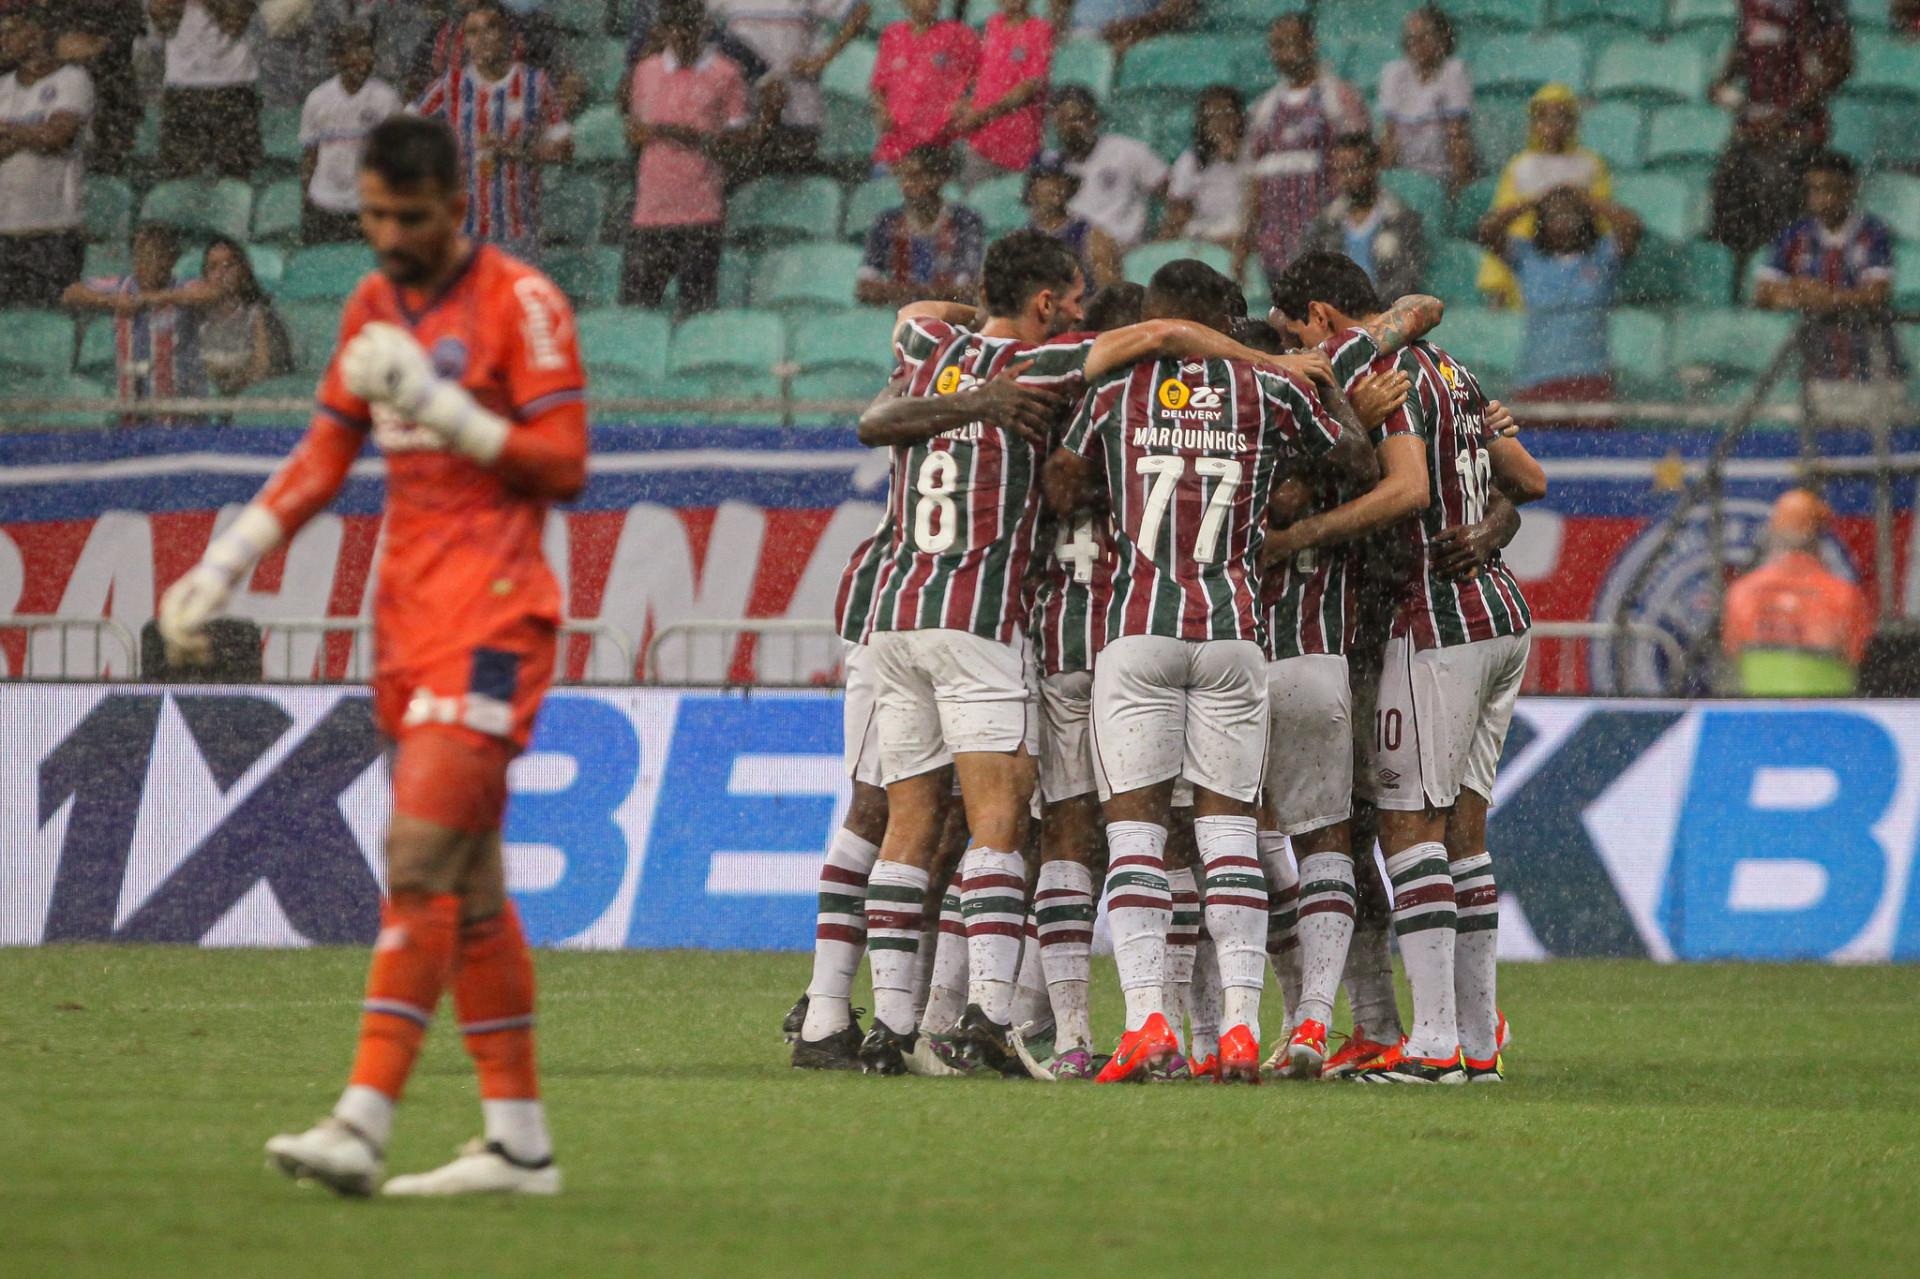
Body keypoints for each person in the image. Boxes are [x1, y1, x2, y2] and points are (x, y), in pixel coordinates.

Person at [161, 114, 586, 1197]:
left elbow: (563, 463)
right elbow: (323, 452)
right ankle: (520, 1145)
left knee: (416, 857)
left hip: (495, 617)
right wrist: (228, 559)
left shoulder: (521, 302)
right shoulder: (368, 304)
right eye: (375, 216)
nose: (389, 234)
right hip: (404, 624)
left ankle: (363, 1116)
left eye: (409, 216)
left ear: (459, 202)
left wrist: (440, 406)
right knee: (472, 884)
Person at [851, 231, 1312, 1077]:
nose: (1072, 309)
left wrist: (976, 354)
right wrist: (1276, 365)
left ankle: (942, 1022)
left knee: (993, 830)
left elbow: (894, 393)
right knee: (1196, 833)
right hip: (1129, 629)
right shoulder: (1079, 372)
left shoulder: (945, 359)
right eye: (1064, 297)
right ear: (1047, 306)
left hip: (1002, 622)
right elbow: (1177, 352)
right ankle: (1204, 1029)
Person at [1043, 259, 1362, 1084]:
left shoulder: (1113, 396)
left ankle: (1149, 1021)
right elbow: (1355, 463)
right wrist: (1317, 390)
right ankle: (1244, 1030)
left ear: (1159, 318)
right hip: (1234, 631)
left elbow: (1063, 487)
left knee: (1139, 836)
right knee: (1231, 838)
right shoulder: (1274, 393)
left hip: (1139, 628)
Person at [1265, 250, 1547, 1085]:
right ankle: (1477, 1041)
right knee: (1464, 833)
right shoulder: (1452, 373)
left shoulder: (1368, 362)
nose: (1299, 357)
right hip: (1501, 612)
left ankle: (1430, 1048)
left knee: (1404, 827)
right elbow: (1527, 475)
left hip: (1438, 621)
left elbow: (1409, 491)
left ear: (1320, 318)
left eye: (1296, 337)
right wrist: (1493, 523)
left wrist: (1301, 536)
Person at [1709, 0, 1853, 293]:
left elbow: (1840, 64)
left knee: (1782, 201)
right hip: (1754, 127)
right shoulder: (1750, 4)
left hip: (1799, 130)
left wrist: (1786, 116)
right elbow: (1747, 41)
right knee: (1729, 189)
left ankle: (1784, 293)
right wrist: (1722, 80)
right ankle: (1734, 295)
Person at [413, 0, 573, 263]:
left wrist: (514, 150)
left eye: (490, 29)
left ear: (507, 33)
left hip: (518, 231)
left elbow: (565, 149)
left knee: (513, 304)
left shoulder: (535, 84)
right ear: (465, 42)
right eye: (473, 33)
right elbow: (401, 131)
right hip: (462, 230)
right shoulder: (450, 85)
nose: (482, 39)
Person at [1755, 150, 1904, 429]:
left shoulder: (1873, 232)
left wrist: (1823, 296)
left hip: (1874, 370)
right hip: (1821, 370)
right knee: (1822, 457)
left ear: (1849, 188)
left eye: (1828, 189)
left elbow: (1875, 295)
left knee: (1875, 459)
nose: (1819, 198)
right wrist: (1805, 293)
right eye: (1812, 189)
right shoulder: (1795, 234)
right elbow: (1764, 293)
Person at [622, 0, 753, 315]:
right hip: (650, 210)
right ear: (664, 31)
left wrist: (686, 135)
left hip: (701, 210)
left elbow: (737, 143)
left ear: (703, 29)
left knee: (697, 310)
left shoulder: (726, 72)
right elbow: (634, 133)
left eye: (689, 28)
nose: (682, 37)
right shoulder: (645, 71)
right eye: (674, 29)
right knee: (638, 310)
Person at [1480, 184, 1642, 422]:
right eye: (1554, 215)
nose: (1564, 221)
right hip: (1535, 379)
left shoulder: (1602, 256)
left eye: (1571, 214)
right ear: (1542, 221)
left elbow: (1632, 226)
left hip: (1590, 378)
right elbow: (1488, 229)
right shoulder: (1528, 258)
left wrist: (1586, 200)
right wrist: (1535, 200)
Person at [1237, 13, 1369, 284]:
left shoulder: (1339, 97)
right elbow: (1254, 182)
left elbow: (1361, 162)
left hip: (1329, 230)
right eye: (1277, 46)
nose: (1284, 53)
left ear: (1310, 44)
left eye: (1291, 43)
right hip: (1276, 239)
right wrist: (1245, 238)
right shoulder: (1264, 108)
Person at [1722, 489, 1873, 695]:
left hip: (1760, 719)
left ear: (1773, 533)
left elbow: (1732, 652)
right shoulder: (1844, 596)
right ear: (1819, 536)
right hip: (1828, 720)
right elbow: (1857, 654)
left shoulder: (1741, 593)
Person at [1478, 83, 1612, 308]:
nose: (1553, 126)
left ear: (1573, 123)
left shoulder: (1589, 165)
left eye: (1561, 118)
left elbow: (1606, 223)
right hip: (1525, 259)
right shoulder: (1520, 166)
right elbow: (1500, 222)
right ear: (1534, 124)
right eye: (1544, 119)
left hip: (1577, 260)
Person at [701, 0, 870, 172]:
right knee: (748, 193)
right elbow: (692, 17)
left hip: (799, 113)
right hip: (747, 117)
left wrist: (822, 60)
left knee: (796, 188)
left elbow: (859, 11)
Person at [0, 5, 93, 308]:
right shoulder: (3, 86)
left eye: (12, 31)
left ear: (37, 32)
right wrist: (32, 133)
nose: (4, 39)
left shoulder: (72, 79)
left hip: (53, 230)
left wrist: (9, 129)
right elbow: (41, 135)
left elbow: (57, 136)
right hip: (5, 228)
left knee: (51, 323)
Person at [63, 222, 206, 403]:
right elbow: (71, 293)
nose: (143, 264)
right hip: (130, 395)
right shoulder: (122, 286)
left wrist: (152, 299)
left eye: (152, 256)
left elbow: (210, 293)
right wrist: (111, 301)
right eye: (138, 256)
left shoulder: (183, 287)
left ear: (171, 259)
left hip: (177, 399)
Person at [300, 23, 403, 245]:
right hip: (325, 203)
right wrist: (307, 202)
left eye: (367, 47)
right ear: (336, 57)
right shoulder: (318, 99)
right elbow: (310, 155)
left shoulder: (387, 98)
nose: (364, 56)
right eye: (355, 49)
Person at [1300, 132, 1428, 306]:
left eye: (1354, 168)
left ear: (1373, 168)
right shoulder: (1325, 223)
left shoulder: (1402, 220)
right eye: (1341, 170)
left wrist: (1367, 311)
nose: (1347, 178)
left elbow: (1406, 280)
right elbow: (1306, 275)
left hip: (1385, 318)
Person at [854, 144, 985, 307]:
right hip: (898, 316)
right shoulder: (886, 221)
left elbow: (966, 290)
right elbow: (864, 289)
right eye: (903, 177)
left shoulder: (964, 220)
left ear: (940, 179)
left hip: (949, 318)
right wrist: (931, 292)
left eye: (917, 177)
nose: (908, 185)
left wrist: (899, 292)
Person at [150, 0, 264, 180]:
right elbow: (160, 18)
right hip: (183, 81)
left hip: (232, 81)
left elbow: (235, 22)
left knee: (236, 173)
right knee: (180, 174)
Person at [1049, 84, 1166, 252]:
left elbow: (1174, 194)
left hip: (1119, 250)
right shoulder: (1052, 165)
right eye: (1063, 121)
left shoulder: (1126, 151)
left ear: (1094, 118)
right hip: (1069, 253)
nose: (1071, 127)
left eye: (1077, 118)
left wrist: (1159, 240)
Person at [404, 0, 577, 111]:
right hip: (453, 135)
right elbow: (414, 87)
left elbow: (570, 81)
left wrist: (544, 126)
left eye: (491, 30)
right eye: (473, 33)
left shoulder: (525, 28)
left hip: (514, 125)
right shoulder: (439, 33)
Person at [868, 0, 978, 171]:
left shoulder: (958, 34)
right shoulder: (893, 35)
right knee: (888, 193)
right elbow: (878, 86)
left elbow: (986, 75)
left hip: (938, 144)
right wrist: (881, 110)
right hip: (895, 145)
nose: (929, 2)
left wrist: (966, 103)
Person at [1377, 4, 1474, 196]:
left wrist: (1459, 185)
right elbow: (1389, 137)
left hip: (1442, 175)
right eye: (1410, 38)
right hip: (1405, 174)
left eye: (1424, 37)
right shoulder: (1394, 73)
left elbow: (1458, 138)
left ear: (1443, 39)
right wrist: (1387, 183)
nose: (1416, 44)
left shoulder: (1454, 72)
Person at [957, 0, 1055, 183]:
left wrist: (982, 116)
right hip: (983, 141)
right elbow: (982, 75)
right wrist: (963, 104)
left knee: (1014, 205)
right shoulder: (992, 24)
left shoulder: (1040, 29)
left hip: (1019, 142)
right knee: (978, 203)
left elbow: (1030, 86)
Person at [54, 0, 144, 176]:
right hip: (62, 92)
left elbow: (114, 41)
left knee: (106, 176)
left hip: (112, 98)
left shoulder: (124, 6)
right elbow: (54, 45)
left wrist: (77, 46)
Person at [196, 236, 294, 395]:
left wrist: (230, 382)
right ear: (205, 275)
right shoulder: (195, 317)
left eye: (228, 265)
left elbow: (263, 370)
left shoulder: (259, 314)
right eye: (213, 267)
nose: (220, 274)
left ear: (244, 271)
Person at [1161, 84, 1247, 249]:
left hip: (1245, 236)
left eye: (1227, 114)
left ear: (1240, 117)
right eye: (1213, 117)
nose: (1221, 124)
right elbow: (1178, 215)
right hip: (1205, 239)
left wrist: (1235, 158)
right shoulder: (1190, 161)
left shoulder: (1255, 153)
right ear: (1203, 125)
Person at [1022, 150, 1119, 289]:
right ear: (1032, 189)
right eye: (1045, 179)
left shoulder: (1093, 237)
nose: (1054, 185)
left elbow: (1111, 296)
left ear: (1071, 186)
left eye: (1060, 178)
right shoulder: (1020, 239)